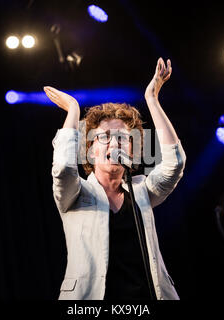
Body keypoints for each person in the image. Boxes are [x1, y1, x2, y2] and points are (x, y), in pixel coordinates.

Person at [45, 58, 186, 300]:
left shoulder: (142, 189)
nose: (114, 142)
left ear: (132, 150)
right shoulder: (76, 194)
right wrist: (73, 110)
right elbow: (63, 169)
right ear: (90, 150)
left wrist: (152, 99)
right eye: (105, 137)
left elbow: (175, 164)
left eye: (122, 138)